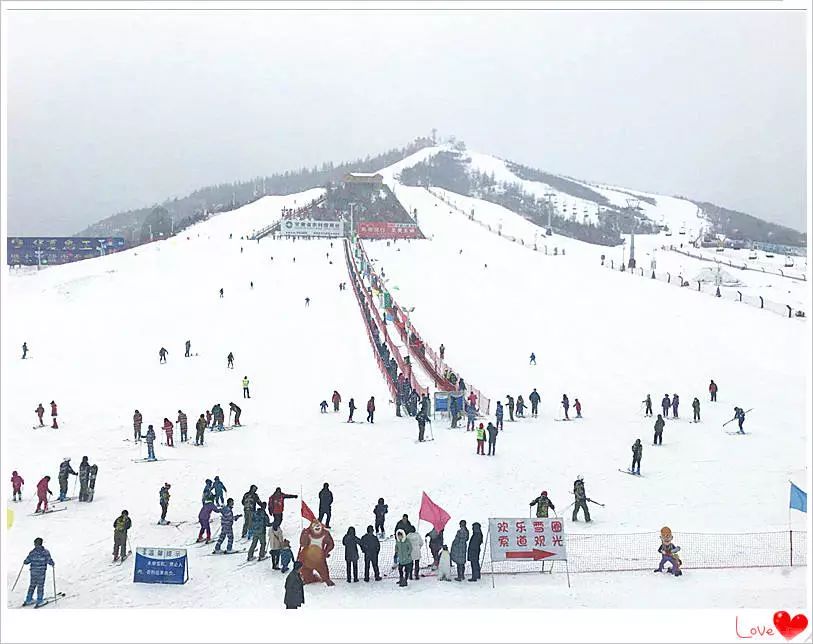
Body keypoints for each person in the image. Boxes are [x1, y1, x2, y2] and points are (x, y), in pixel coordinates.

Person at [22, 538, 54, 607]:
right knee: (40, 586)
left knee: (32, 585)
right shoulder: (45, 552)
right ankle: (39, 600)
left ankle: (28, 599)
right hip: (41, 572)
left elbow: (27, 561)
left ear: (35, 544)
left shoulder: (32, 552)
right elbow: (49, 560)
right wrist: (52, 563)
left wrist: (25, 561)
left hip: (33, 572)